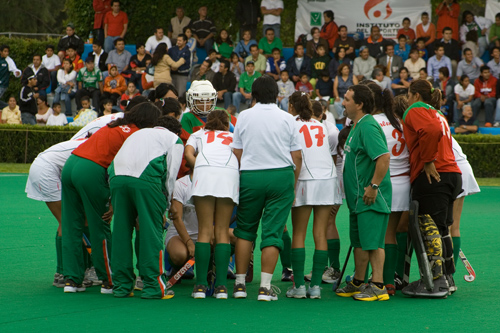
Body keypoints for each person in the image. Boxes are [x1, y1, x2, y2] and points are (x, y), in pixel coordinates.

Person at [61, 102, 161, 293]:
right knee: (100, 226)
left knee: (71, 225)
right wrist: (114, 204)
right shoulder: (137, 135)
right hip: (91, 170)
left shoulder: (116, 124)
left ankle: (71, 280)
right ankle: (109, 280)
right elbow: (121, 170)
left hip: (71, 164)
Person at [231, 75, 302, 301]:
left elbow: (237, 152)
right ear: (276, 94)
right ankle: (264, 287)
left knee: (244, 231)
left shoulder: (244, 116)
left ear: (254, 93)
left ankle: (240, 284)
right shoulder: (288, 118)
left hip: (251, 175)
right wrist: (293, 183)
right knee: (273, 233)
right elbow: (297, 156)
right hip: (281, 176)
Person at [109, 115, 183, 299]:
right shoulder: (174, 139)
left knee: (120, 232)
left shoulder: (139, 133)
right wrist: (164, 206)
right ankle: (153, 286)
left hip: (116, 176)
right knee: (151, 232)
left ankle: (121, 286)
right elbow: (171, 175)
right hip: (145, 179)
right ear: (176, 131)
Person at [401, 79, 462, 297]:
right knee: (442, 229)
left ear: (416, 95)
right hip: (452, 174)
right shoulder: (437, 112)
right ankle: (447, 277)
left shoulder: (415, 109)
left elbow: (430, 130)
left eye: (408, 95)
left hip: (434, 175)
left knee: (427, 226)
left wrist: (427, 160)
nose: (407, 100)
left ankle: (436, 282)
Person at [335, 84, 391, 301]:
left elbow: (383, 158)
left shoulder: (368, 126)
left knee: (373, 242)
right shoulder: (357, 125)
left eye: (347, 99)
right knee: (359, 242)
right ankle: (359, 281)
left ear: (359, 104)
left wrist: (374, 187)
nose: (343, 102)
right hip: (358, 200)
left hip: (371, 198)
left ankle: (378, 285)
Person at [284, 92, 338, 299]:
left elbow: (294, 156)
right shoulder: (321, 124)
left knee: (299, 233)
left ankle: (298, 287)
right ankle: (315, 287)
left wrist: (292, 186)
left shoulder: (291, 123)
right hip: (327, 178)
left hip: (305, 178)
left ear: (291, 106)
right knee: (320, 233)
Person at [184, 110, 239, 299]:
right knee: (222, 231)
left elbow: (188, 152)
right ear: (226, 124)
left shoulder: (197, 134)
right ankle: (221, 287)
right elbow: (241, 156)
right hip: (228, 174)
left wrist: (197, 165)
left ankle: (200, 286)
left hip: (204, 173)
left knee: (205, 231)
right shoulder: (233, 135)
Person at [364, 81, 409, 295]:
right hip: (404, 183)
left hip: (384, 184)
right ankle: (391, 279)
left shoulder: (371, 122)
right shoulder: (399, 122)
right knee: (391, 233)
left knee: (380, 235)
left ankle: (382, 280)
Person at [25, 137, 88, 288]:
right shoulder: (94, 147)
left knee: (69, 220)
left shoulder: (88, 142)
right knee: (68, 222)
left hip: (45, 167)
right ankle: (65, 273)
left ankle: (66, 272)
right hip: (47, 171)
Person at [449, 137, 480, 274]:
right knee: (453, 226)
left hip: (453, 169)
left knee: (448, 227)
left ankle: (446, 275)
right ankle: (449, 274)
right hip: (461, 167)